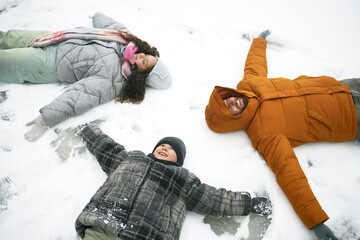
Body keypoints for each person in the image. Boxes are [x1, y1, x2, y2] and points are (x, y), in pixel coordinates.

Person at [205, 30, 359, 240]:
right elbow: (289, 175)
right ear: (231, 121)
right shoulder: (262, 134)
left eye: (226, 100)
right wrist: (316, 222)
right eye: (228, 109)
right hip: (350, 116)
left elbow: (254, 64)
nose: (231, 101)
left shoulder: (248, 84)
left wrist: (259, 41)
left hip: (341, 86)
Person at [74, 123, 272, 240]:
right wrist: (88, 132)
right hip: (102, 225)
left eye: (171, 149)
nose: (164, 148)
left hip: (146, 234)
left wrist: (249, 204)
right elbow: (107, 149)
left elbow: (213, 199)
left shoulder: (182, 180)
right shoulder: (131, 159)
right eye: (162, 145)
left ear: (178, 160)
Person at [0, 12, 172, 142]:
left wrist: (46, 119)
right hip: (55, 38)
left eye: (145, 63)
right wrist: (98, 16)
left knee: (4, 61)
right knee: (8, 37)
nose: (141, 57)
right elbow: (113, 26)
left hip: (49, 64)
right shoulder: (128, 42)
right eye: (146, 56)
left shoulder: (114, 79)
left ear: (141, 75)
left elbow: (80, 96)